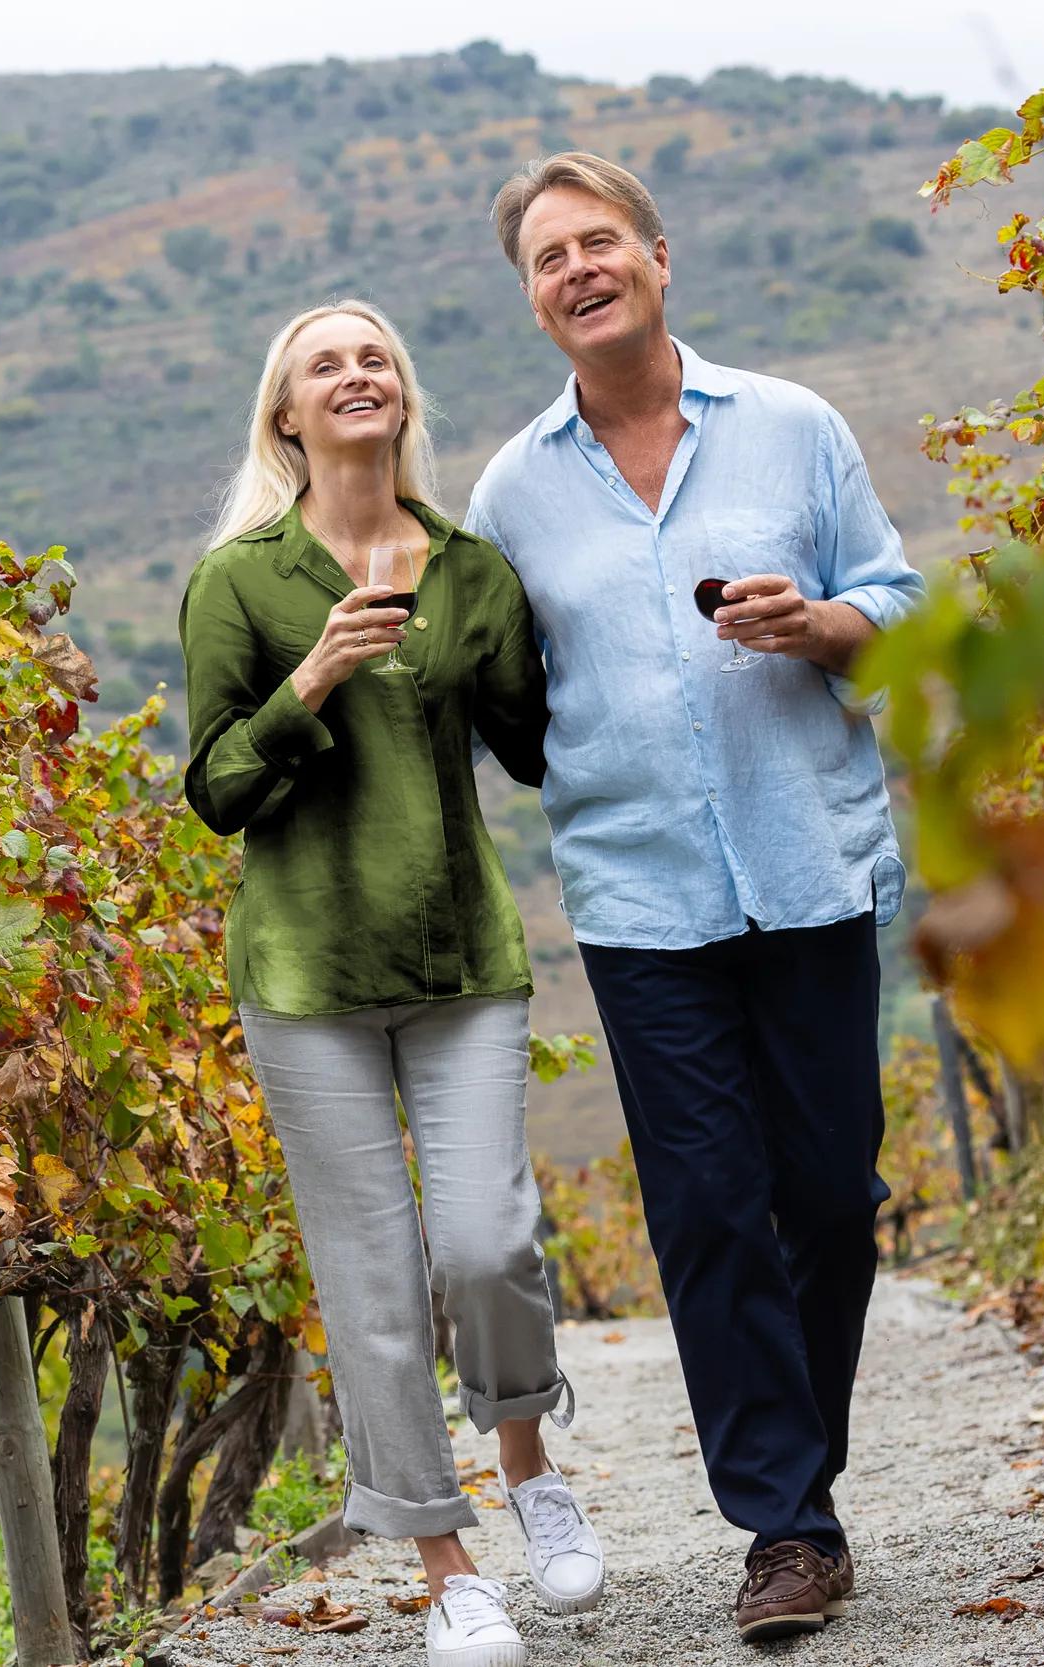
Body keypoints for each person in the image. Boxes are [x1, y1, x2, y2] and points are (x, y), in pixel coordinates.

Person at [465, 153, 926, 1644]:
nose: (579, 269)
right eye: (549, 258)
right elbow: (508, 699)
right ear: (534, 302)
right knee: (710, 1209)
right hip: (638, 897)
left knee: (830, 1197)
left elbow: (904, 606)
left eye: (600, 242)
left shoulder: (793, 428)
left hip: (809, 864)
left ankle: (802, 1486)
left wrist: (825, 624)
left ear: (660, 258)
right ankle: (787, 1527)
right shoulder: (511, 492)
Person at [178, 299, 604, 1667]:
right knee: (368, 1278)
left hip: (462, 959)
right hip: (305, 974)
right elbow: (214, 792)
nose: (356, 376)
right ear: (287, 417)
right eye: (325, 364)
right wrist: (309, 682)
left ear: (401, 400)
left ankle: (530, 1466)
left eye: (376, 359)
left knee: (486, 1240)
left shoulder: (473, 574)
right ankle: (445, 1565)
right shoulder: (238, 583)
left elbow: (537, 743)